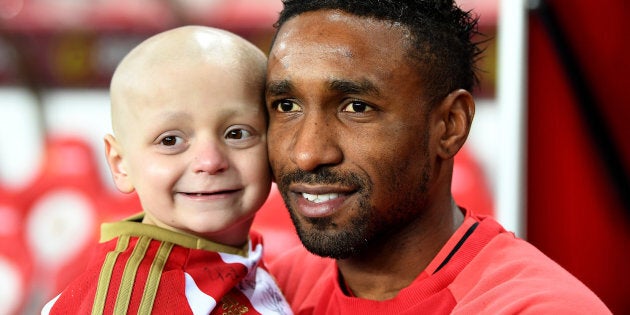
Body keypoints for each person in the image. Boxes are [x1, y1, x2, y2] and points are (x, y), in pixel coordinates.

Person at [263, 0, 611, 314]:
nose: (306, 153)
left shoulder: (538, 308)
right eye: (286, 106)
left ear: (450, 125)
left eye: (356, 107)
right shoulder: (266, 290)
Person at [42, 25, 292, 315]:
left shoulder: (236, 258)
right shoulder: (135, 301)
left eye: (237, 134)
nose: (209, 162)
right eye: (170, 140)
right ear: (120, 164)